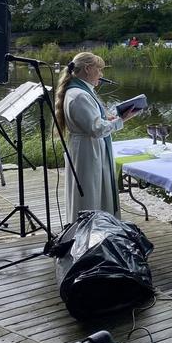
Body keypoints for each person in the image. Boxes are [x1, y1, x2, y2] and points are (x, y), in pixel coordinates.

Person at [54, 52, 139, 223]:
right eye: (99, 69)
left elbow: (92, 122)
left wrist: (109, 118)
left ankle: (95, 228)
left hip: (86, 147)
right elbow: (97, 129)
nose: (101, 74)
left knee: (93, 191)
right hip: (88, 151)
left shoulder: (79, 91)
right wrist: (121, 120)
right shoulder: (80, 95)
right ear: (87, 69)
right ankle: (91, 230)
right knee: (90, 193)